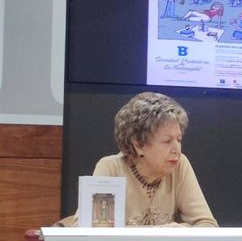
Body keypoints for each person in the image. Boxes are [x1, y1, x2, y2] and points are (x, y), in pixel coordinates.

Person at [56, 92, 218, 227]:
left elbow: (207, 225)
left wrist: (182, 230)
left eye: (179, 139)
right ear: (139, 144)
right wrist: (158, 233)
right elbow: (83, 231)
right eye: (167, 141)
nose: (177, 149)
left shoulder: (180, 165)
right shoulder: (111, 168)